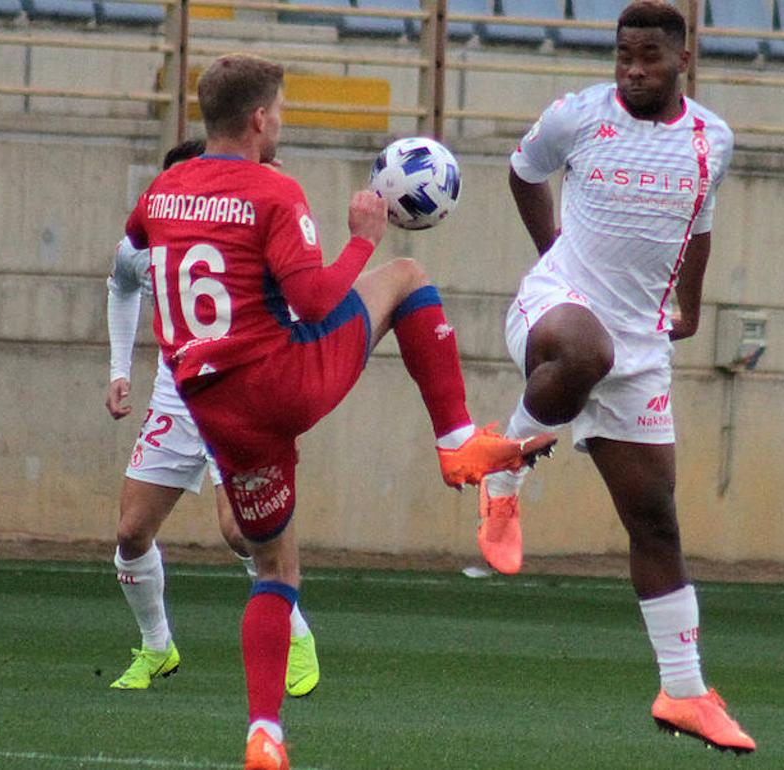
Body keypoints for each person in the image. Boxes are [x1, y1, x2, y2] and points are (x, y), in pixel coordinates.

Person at [124, 54, 555, 770]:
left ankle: (266, 732)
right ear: (261, 118)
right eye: (281, 112)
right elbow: (320, 301)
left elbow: (140, 239)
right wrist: (362, 234)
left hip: (216, 410)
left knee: (273, 570)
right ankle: (456, 442)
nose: (281, 123)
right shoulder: (274, 191)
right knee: (406, 278)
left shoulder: (164, 188)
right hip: (283, 381)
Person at [476, 1, 754, 754]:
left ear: (682, 61)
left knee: (656, 522)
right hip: (557, 312)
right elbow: (523, 172)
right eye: (624, 55)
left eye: (649, 58)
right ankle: (504, 468)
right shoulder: (578, 116)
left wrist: (689, 304)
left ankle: (686, 692)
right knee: (585, 351)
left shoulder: (711, 140)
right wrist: (552, 258)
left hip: (641, 347)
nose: (633, 68)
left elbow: (699, 219)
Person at [106, 140, 320, 697]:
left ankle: (294, 632)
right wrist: (118, 369)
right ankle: (157, 647)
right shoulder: (145, 239)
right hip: (176, 400)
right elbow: (120, 284)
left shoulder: (245, 235)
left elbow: (298, 299)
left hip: (239, 396)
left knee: (239, 531)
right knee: (131, 532)